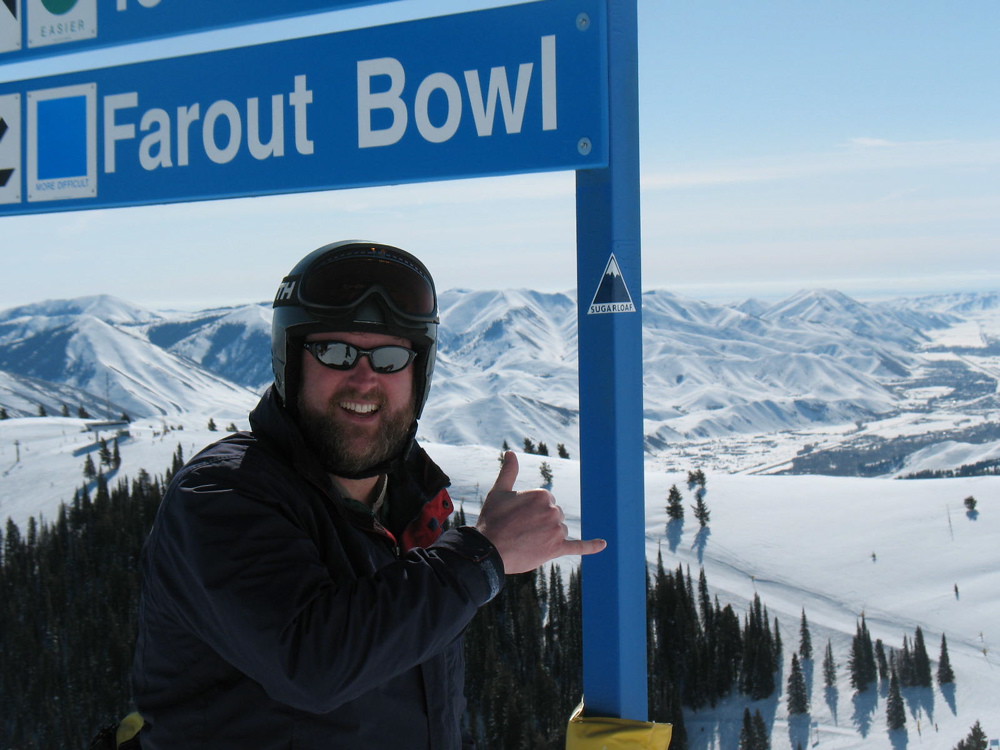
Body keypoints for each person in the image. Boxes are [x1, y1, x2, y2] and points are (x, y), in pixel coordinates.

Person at [131, 240, 606, 748]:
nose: (364, 379)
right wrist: (482, 556)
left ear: (417, 374)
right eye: (335, 353)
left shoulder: (410, 506)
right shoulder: (222, 493)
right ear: (290, 364)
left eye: (389, 357)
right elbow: (311, 664)